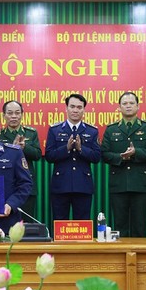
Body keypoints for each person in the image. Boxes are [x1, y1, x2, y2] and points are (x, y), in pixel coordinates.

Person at [101, 91, 146, 237]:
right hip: (118, 183)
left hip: (141, 183)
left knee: (140, 225)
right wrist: (121, 157)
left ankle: (139, 258)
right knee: (120, 225)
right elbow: (104, 154)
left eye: (131, 103)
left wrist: (136, 152)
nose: (128, 106)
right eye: (124, 104)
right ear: (119, 107)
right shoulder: (112, 128)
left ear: (138, 106)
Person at [45, 93, 101, 221]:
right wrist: (66, 149)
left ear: (84, 110)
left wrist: (81, 149)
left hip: (83, 185)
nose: (75, 110)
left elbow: (97, 157)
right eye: (72, 106)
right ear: (66, 108)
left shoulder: (92, 131)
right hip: (61, 185)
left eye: (79, 107)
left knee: (82, 225)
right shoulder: (55, 130)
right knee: (59, 223)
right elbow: (49, 156)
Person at [0, 100, 42, 217]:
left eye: (17, 113)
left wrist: (24, 148)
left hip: (26, 184)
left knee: (26, 225)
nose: (14, 116)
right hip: (6, 184)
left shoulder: (30, 133)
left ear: (22, 115)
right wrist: (13, 149)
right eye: (10, 113)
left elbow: (38, 155)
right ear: (4, 116)